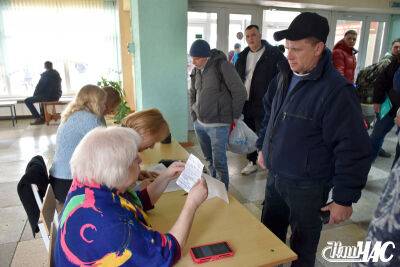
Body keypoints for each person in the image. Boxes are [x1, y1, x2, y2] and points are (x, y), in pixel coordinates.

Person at [256, 12, 371, 266]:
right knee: (267, 241)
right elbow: (269, 114)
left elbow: (353, 148)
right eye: (287, 48)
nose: (289, 55)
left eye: (297, 49)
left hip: (308, 187)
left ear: (319, 48)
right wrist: (263, 147)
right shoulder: (283, 75)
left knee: (302, 249)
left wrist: (343, 198)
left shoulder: (336, 91)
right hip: (275, 178)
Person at [54, 126, 208, 266]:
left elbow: (136, 203)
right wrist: (191, 204)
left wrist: (165, 177)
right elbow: (166, 254)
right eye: (135, 158)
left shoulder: (90, 185)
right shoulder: (112, 226)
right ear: (120, 171)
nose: (140, 159)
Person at [189, 39, 247, 190]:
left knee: (219, 161)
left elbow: (240, 92)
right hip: (200, 124)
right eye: (192, 58)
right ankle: (213, 187)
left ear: (205, 56)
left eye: (196, 58)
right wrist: (194, 116)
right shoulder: (196, 70)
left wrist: (233, 117)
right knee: (209, 159)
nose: (193, 62)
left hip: (219, 124)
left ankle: (222, 193)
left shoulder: (222, 66)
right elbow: (192, 93)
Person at [235, 24, 286, 175]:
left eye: (254, 35)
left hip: (265, 103)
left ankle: (269, 162)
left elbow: (284, 75)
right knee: (249, 133)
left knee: (266, 133)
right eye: (248, 36)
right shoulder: (243, 55)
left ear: (260, 35)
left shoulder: (273, 54)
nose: (251, 38)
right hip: (246, 102)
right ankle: (252, 161)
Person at [49, 84, 107, 203]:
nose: (105, 106)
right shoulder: (89, 118)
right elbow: (106, 149)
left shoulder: (72, 114)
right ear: (94, 102)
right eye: (103, 103)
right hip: (70, 185)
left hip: (58, 182)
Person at [370, 41, 400, 162]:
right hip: (390, 107)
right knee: (376, 136)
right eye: (396, 47)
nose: (398, 49)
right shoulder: (392, 63)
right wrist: (377, 101)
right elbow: (380, 82)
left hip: (396, 109)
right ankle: (363, 170)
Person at [121, 108, 171, 181]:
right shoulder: (117, 155)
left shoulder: (124, 146)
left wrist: (135, 174)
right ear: (143, 132)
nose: (152, 147)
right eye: (153, 141)